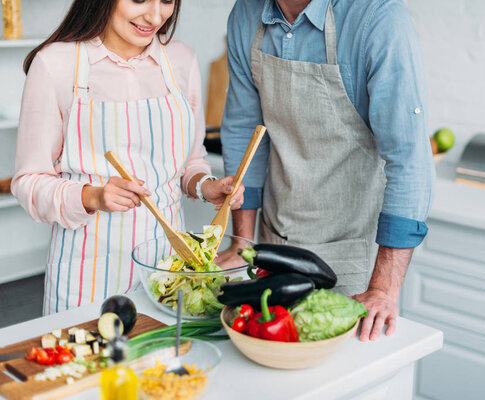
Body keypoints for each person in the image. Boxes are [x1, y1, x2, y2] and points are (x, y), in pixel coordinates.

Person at [219, 0, 434, 341]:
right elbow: (246, 130)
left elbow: (409, 158)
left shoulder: (378, 16)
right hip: (272, 246)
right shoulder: (246, 12)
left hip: (353, 264)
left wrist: (383, 289)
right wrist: (241, 241)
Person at [11, 0, 244, 315]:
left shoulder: (181, 59)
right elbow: (28, 181)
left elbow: (190, 162)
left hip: (169, 273)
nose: (154, 16)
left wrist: (206, 185)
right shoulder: (55, 64)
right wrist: (93, 196)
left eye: (166, 1)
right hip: (87, 277)